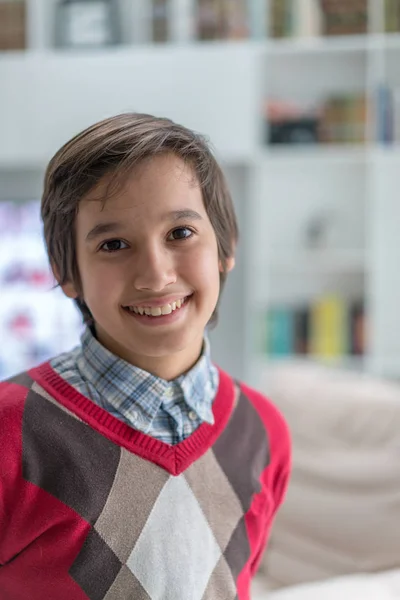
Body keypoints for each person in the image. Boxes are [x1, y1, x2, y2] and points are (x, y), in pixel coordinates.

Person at [0, 113, 291, 600]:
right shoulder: (11, 431)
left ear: (225, 247)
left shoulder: (263, 432)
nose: (155, 276)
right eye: (114, 244)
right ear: (66, 271)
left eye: (180, 233)